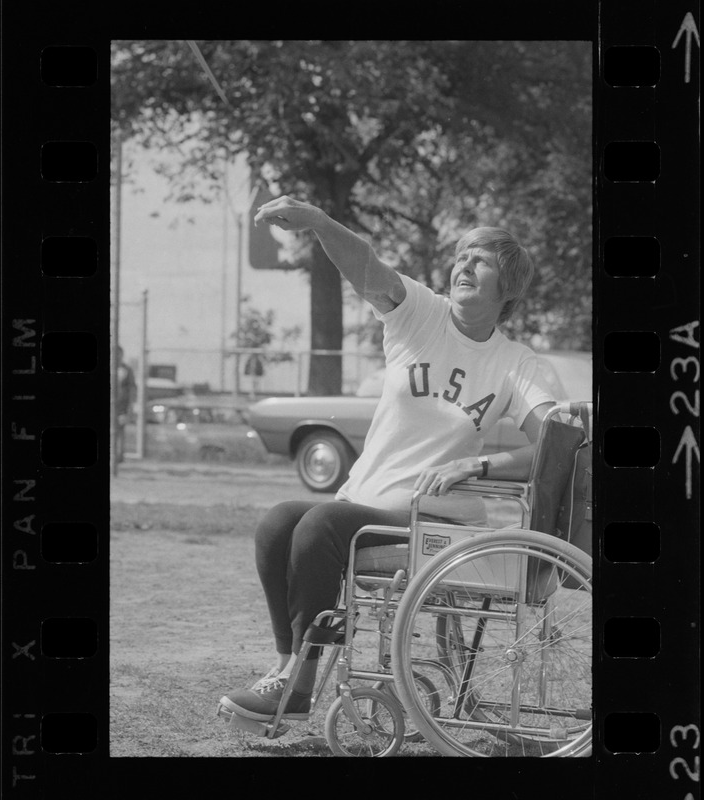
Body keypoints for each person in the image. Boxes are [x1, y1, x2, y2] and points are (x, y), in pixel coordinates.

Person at [219, 195, 555, 723]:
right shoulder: (421, 314)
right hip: (362, 504)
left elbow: (556, 445)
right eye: (461, 256)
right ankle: (285, 664)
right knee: (279, 522)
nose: (463, 265)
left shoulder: (515, 363)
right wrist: (317, 221)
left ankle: (299, 689)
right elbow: (367, 268)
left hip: (434, 522)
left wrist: (478, 465)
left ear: (507, 286)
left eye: (480, 259)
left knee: (322, 525)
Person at [115, 346, 137, 464]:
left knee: (120, 430)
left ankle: (119, 456)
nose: (117, 357)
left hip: (121, 407)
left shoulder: (126, 370)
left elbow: (132, 388)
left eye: (119, 354)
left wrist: (130, 406)